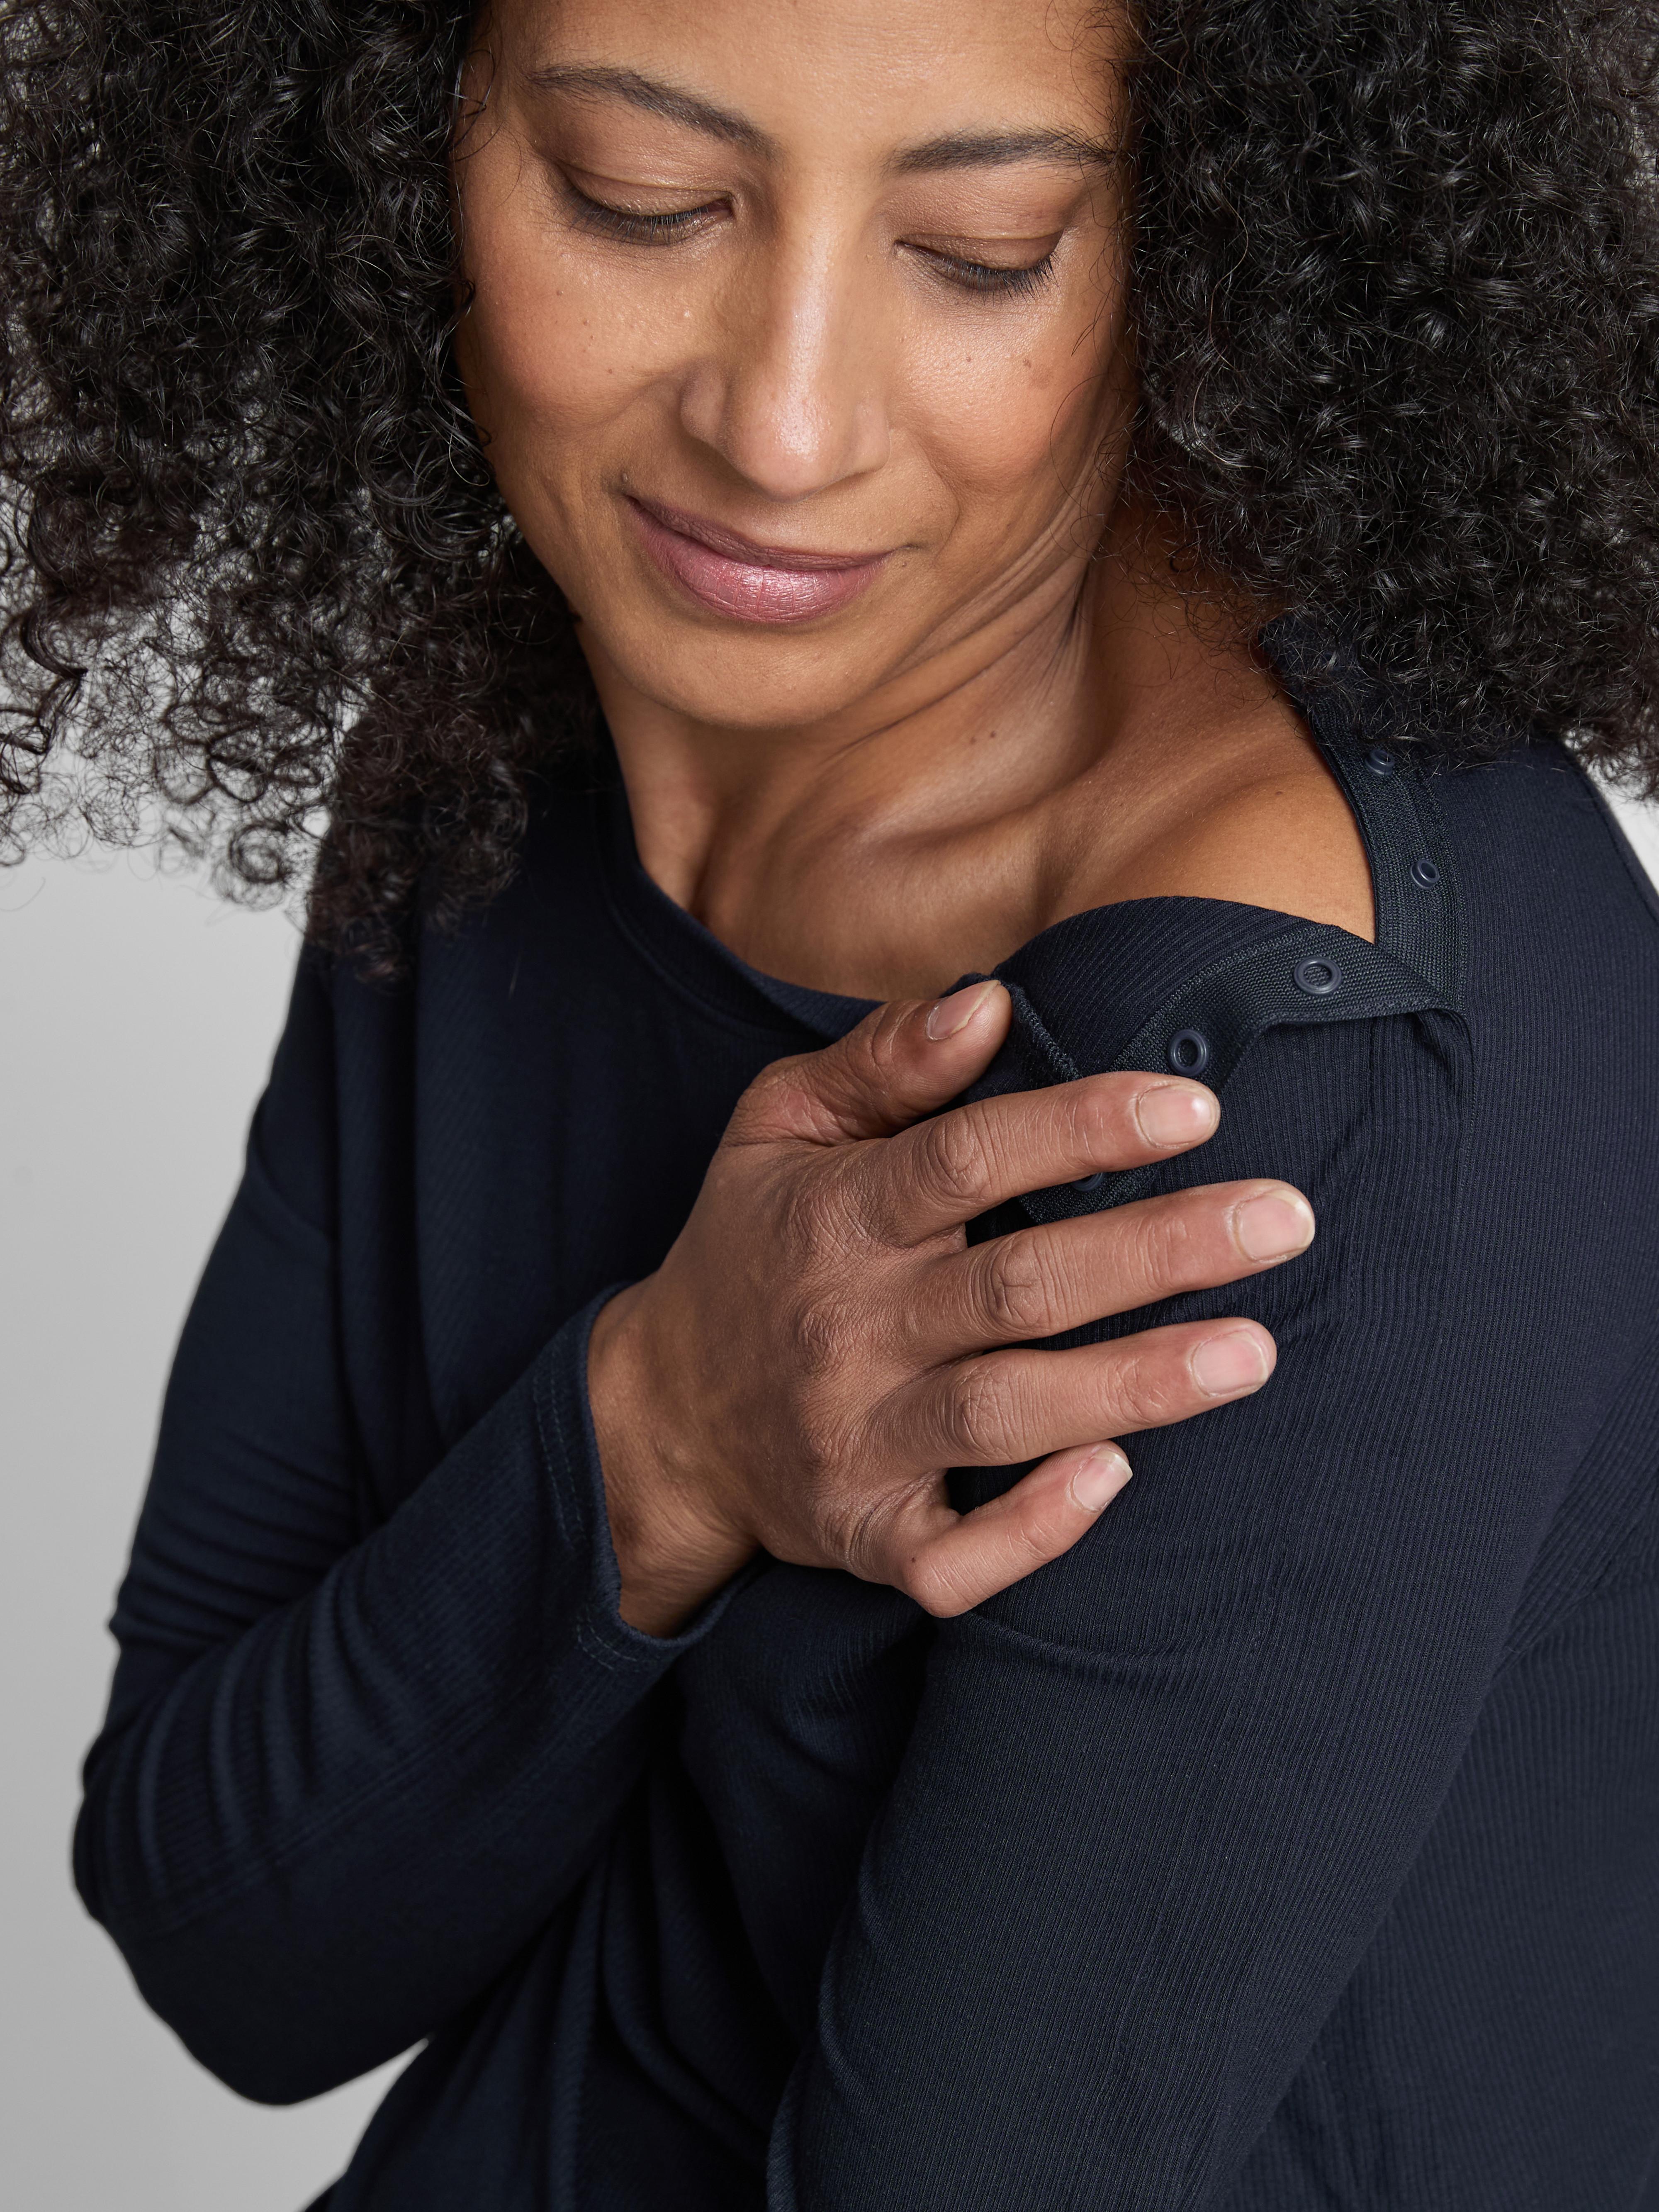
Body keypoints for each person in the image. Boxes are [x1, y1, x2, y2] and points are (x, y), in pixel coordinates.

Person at [4, 0, 1659, 2202]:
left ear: (1193, 239)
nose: (782, 427)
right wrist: (669, 1428)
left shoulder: (1302, 1068)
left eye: (983, 250)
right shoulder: (491, 753)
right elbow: (232, 1936)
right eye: (641, 201)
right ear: (398, 134)